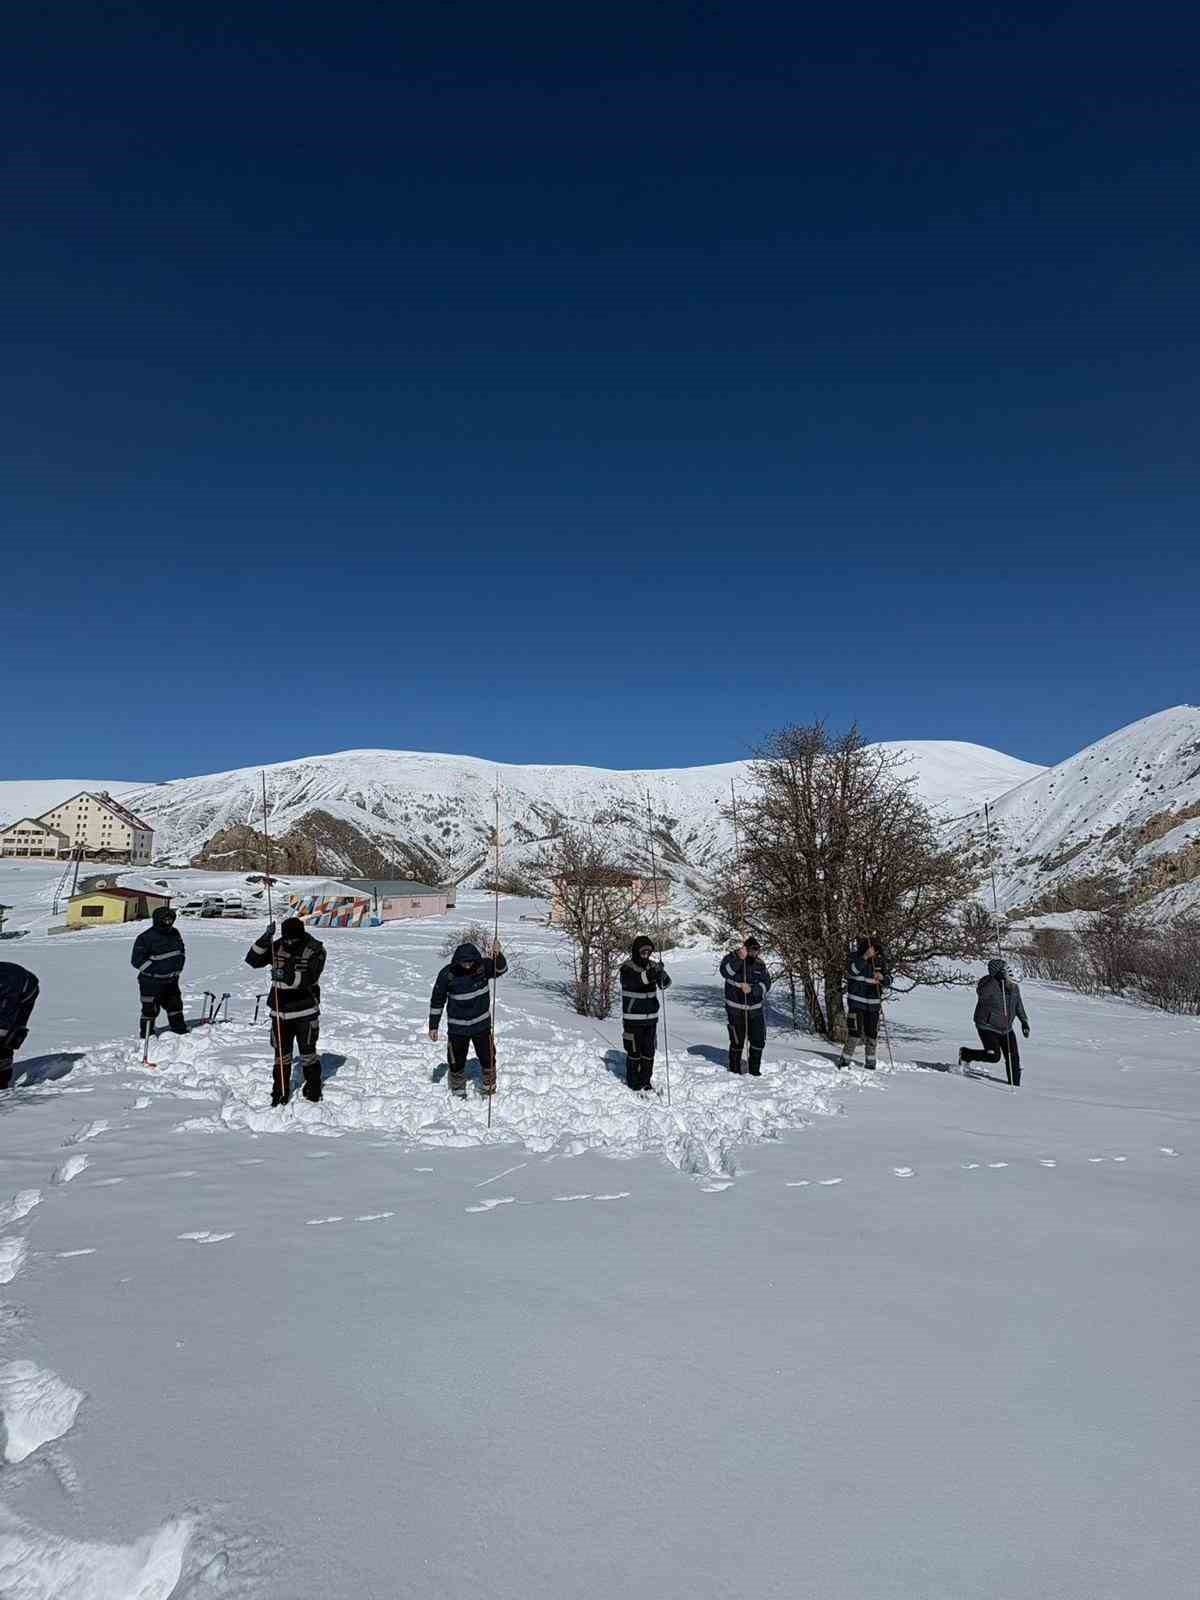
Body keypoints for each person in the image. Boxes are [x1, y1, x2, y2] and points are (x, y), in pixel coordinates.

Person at [245, 916, 327, 1106]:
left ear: (301, 934)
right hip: (280, 1012)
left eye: (293, 939)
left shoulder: (314, 949)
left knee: (308, 1053)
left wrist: (286, 975)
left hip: (305, 1010)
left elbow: (309, 977)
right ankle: (280, 1091)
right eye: (286, 938)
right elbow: (252, 960)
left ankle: (313, 1090)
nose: (289, 943)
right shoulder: (278, 945)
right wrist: (265, 938)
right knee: (281, 1055)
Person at [428, 941, 507, 1098]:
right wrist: (433, 1026)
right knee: (456, 1060)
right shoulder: (447, 974)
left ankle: (489, 1086)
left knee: (488, 1057)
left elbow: (501, 969)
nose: (468, 965)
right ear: (458, 960)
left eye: (471, 961)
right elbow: (437, 1000)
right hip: (458, 1028)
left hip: (482, 1025)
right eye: (465, 962)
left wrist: (498, 955)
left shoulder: (483, 967)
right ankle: (458, 1089)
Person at [959, 958, 1030, 1085]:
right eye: (1010, 979)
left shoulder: (1014, 987)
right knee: (993, 1056)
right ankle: (966, 1054)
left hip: (1006, 1028)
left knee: (1013, 1057)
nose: (1013, 984)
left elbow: (1018, 1004)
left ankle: (1015, 1085)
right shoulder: (987, 984)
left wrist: (1024, 1021)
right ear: (1000, 974)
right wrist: (994, 979)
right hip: (987, 1025)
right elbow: (981, 993)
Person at [619, 935, 672, 1092]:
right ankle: (633, 1082)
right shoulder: (627, 967)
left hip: (651, 1019)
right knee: (634, 1052)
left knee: (649, 1051)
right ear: (636, 951)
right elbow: (634, 981)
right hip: (633, 1019)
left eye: (648, 952)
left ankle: (646, 1081)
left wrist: (661, 973)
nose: (646, 955)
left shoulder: (653, 966)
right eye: (643, 952)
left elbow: (666, 984)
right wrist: (650, 974)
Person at [131, 906, 187, 1041]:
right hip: (151, 982)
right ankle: (147, 1037)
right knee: (150, 1010)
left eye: (170, 919)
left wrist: (177, 968)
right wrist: (157, 970)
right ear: (157, 920)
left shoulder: (175, 933)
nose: (168, 922)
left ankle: (180, 1033)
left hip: (171, 980)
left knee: (175, 1007)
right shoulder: (145, 937)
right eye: (165, 919)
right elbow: (137, 961)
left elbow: (180, 951)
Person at [837, 934, 890, 1070]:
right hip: (856, 1002)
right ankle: (844, 1061)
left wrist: (883, 978)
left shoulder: (880, 960)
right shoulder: (854, 957)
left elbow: (889, 980)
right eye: (871, 948)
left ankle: (870, 1063)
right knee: (854, 1033)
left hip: (873, 1004)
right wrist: (865, 957)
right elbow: (851, 971)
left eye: (876, 948)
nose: (874, 951)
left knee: (872, 1034)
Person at [719, 936, 772, 1074]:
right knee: (737, 1042)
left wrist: (754, 990)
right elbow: (725, 972)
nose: (755, 953)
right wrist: (739, 959)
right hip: (736, 1011)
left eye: (757, 950)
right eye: (752, 950)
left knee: (758, 1041)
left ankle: (755, 1072)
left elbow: (766, 983)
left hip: (755, 1011)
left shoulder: (760, 964)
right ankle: (734, 1070)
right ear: (745, 949)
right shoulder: (731, 958)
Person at [0, 963, 39, 1090]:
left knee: (10, 1036)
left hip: (24, 991)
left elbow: (4, 1020)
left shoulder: (7, 985)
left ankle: (2, 1083)